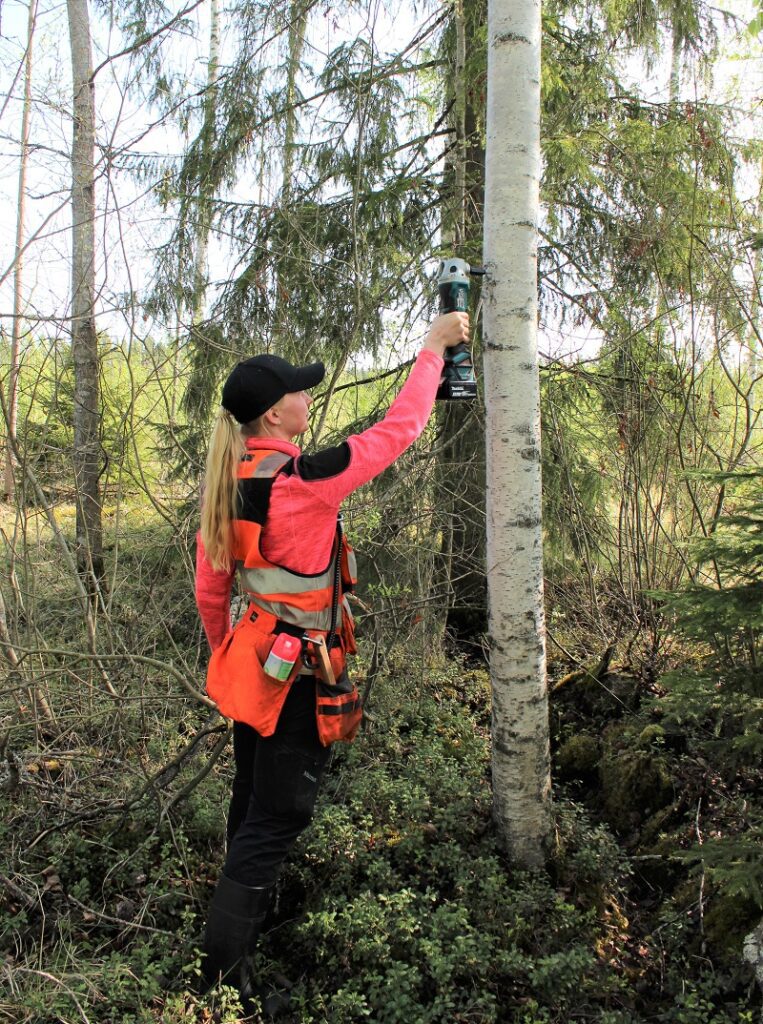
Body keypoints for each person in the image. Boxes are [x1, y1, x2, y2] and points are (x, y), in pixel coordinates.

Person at [195, 309, 470, 1004]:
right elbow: (395, 433)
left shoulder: (230, 478)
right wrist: (433, 350)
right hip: (293, 672)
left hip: (252, 659)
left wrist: (226, 653)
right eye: (296, 391)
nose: (306, 397)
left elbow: (210, 587)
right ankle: (222, 984)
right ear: (274, 414)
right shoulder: (303, 479)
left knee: (250, 799)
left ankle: (247, 933)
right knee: (277, 814)